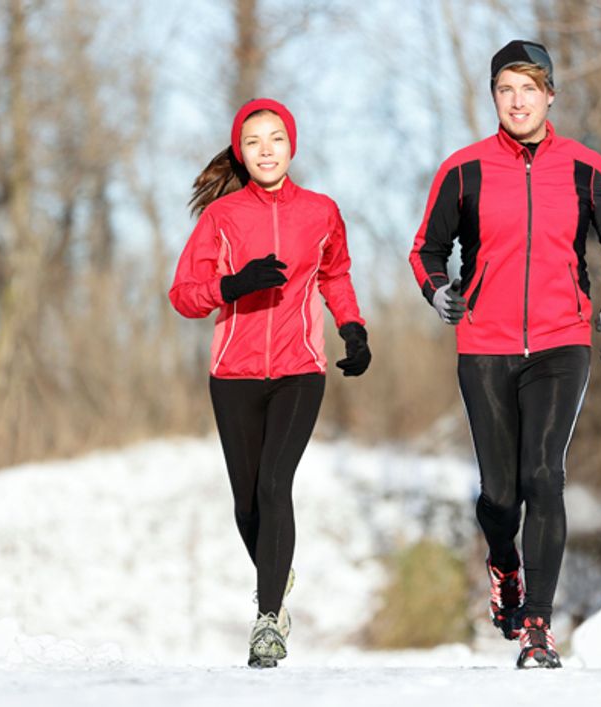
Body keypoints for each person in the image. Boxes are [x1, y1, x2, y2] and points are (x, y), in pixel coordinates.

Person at [408, 40, 601, 669]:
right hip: (484, 344)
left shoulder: (586, 168)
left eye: (529, 89)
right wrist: (439, 295)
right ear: (494, 98)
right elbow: (425, 250)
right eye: (506, 90)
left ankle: (537, 625)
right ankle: (503, 565)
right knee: (501, 494)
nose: (518, 101)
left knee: (545, 476)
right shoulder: (465, 170)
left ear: (550, 95)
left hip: (562, 340)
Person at [169, 98, 371, 668]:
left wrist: (352, 329)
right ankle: (276, 574)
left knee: (274, 484)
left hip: (300, 370)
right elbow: (183, 294)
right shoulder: (223, 217)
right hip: (232, 375)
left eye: (276, 138)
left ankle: (267, 620)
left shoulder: (321, 211)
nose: (265, 149)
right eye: (254, 140)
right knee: (246, 502)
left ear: (292, 145)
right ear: (241, 151)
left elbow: (336, 274)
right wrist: (232, 285)